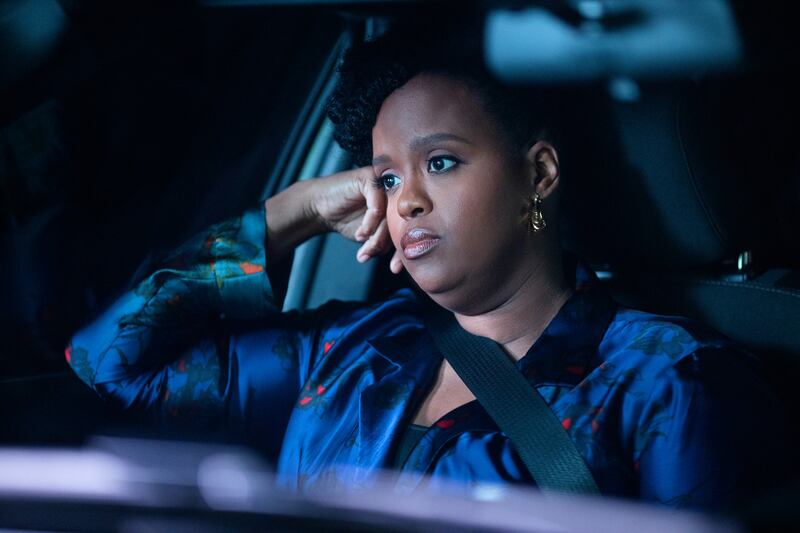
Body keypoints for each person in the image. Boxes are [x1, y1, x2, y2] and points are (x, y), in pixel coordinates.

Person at [65, 22, 784, 510]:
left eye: (439, 162)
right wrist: (297, 209)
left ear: (538, 174)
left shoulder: (667, 381)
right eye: (386, 177)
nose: (404, 200)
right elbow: (112, 363)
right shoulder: (350, 350)